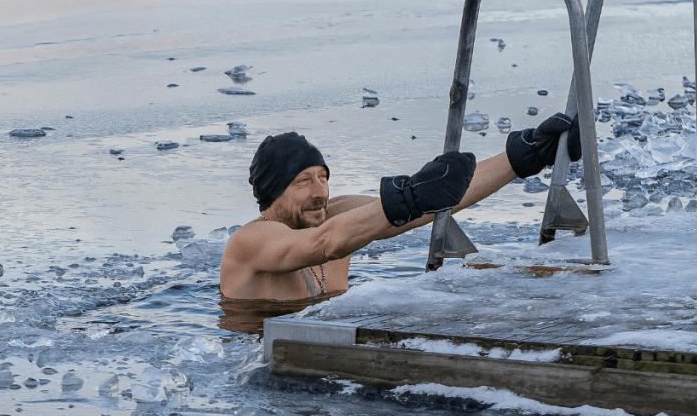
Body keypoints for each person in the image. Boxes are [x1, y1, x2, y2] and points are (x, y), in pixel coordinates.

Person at [219, 113, 580, 300]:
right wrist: (408, 197)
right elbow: (323, 244)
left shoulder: (335, 216)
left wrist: (525, 157)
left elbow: (434, 204)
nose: (319, 192)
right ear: (273, 191)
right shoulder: (252, 240)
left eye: (323, 177)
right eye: (302, 181)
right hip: (267, 372)